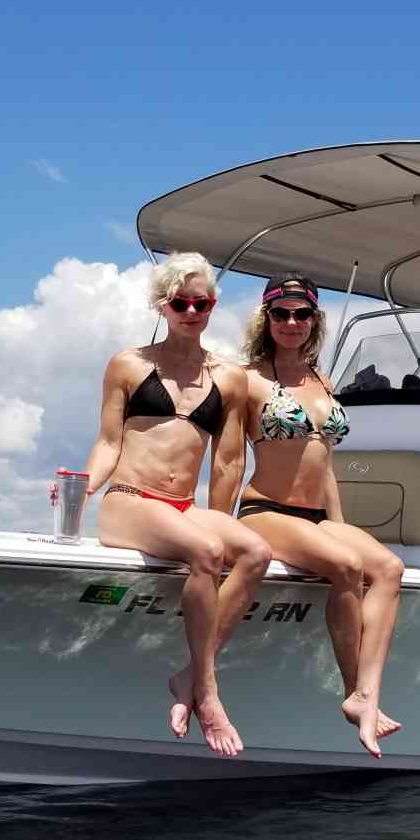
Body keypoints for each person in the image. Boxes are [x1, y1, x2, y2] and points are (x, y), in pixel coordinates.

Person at [85, 252, 270, 757]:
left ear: (212, 306)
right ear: (163, 306)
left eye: (202, 302)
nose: (192, 311)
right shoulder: (128, 364)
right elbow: (107, 441)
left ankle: (188, 674)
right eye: (181, 303)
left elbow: (229, 462)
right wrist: (86, 486)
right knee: (207, 553)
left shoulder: (229, 379)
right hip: (129, 500)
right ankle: (207, 693)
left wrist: (219, 520)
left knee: (254, 552)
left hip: (183, 507)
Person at [237, 274, 404, 758]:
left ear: (315, 320)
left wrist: (338, 524)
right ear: (266, 319)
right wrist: (218, 525)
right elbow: (227, 459)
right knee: (347, 568)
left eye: (302, 313)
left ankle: (367, 693)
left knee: (389, 569)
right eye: (281, 313)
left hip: (315, 516)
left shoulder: (323, 382)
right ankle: (353, 690)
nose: (292, 322)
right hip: (264, 509)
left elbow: (324, 462)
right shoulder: (246, 379)